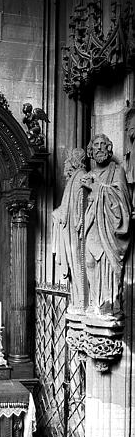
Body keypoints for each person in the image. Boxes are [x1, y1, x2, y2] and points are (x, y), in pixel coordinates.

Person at [82, 134, 131, 318]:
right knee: (89, 262)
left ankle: (108, 303)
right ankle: (94, 301)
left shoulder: (117, 171)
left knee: (107, 264)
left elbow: (122, 199)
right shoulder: (89, 174)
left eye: (104, 144)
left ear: (109, 149)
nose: (100, 148)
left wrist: (96, 188)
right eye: (96, 145)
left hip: (109, 230)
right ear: (91, 150)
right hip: (92, 225)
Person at [52, 148, 87, 312]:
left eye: (67, 161)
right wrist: (57, 213)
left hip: (74, 231)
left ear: (74, 161)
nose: (65, 164)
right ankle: (77, 299)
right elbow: (66, 208)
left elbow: (76, 208)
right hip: (69, 230)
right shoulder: (73, 178)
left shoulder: (79, 176)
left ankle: (81, 301)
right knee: (74, 266)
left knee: (77, 264)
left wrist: (59, 214)